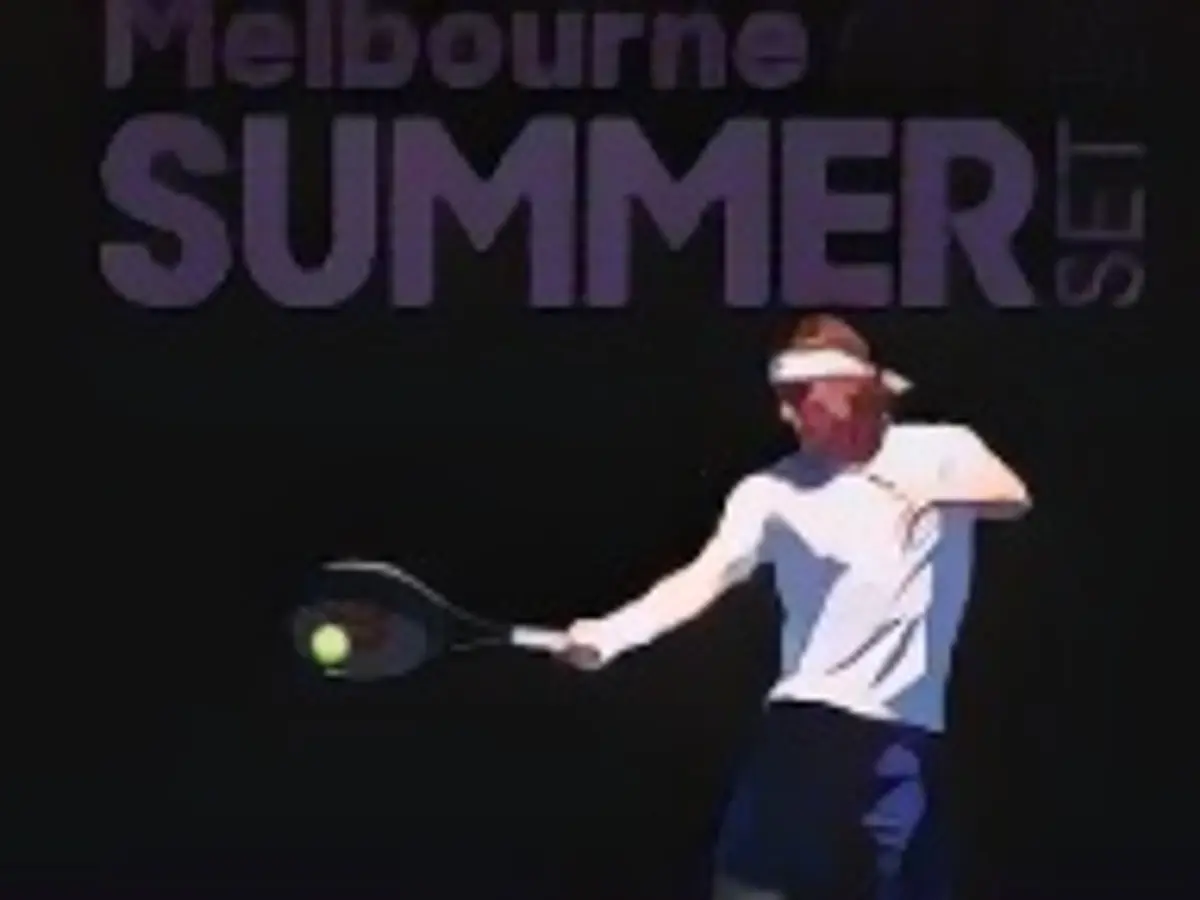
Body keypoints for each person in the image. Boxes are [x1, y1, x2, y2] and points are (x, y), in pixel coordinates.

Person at [559, 314, 1030, 899]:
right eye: (780, 398)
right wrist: (613, 633)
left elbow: (1012, 495)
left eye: (798, 397)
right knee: (748, 885)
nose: (785, 415)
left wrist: (931, 496)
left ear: (850, 389)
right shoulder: (769, 491)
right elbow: (702, 578)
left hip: (908, 735)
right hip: (810, 722)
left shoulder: (943, 450)